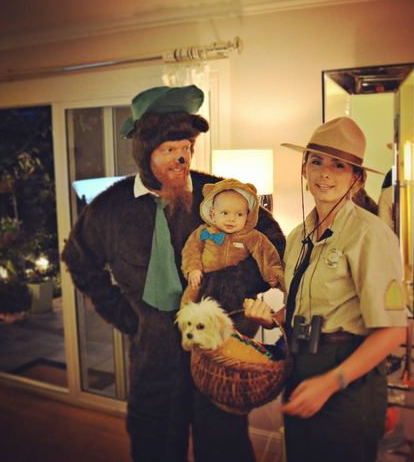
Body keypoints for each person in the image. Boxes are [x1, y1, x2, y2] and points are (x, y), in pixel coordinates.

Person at [61, 85, 285, 462]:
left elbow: (271, 247)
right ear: (143, 151)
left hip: (217, 357)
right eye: (169, 150)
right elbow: (79, 260)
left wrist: (235, 315)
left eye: (187, 148)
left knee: (225, 449)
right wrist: (130, 318)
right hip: (154, 362)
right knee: (155, 447)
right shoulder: (110, 209)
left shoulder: (219, 196)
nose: (182, 159)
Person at [244, 117, 407, 462]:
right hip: (301, 364)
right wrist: (272, 318)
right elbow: (302, 302)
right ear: (303, 169)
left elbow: (393, 331)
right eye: (316, 161)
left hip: (349, 380)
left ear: (357, 178)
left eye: (339, 165)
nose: (325, 173)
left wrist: (330, 383)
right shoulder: (297, 235)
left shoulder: (370, 234)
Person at [181, 178, 284, 306]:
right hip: (204, 280)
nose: (231, 219)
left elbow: (266, 254)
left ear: (248, 216)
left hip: (236, 286)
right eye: (225, 213)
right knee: (189, 302)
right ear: (213, 214)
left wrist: (271, 274)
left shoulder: (251, 237)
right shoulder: (205, 232)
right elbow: (191, 249)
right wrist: (193, 269)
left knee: (246, 308)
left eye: (239, 214)